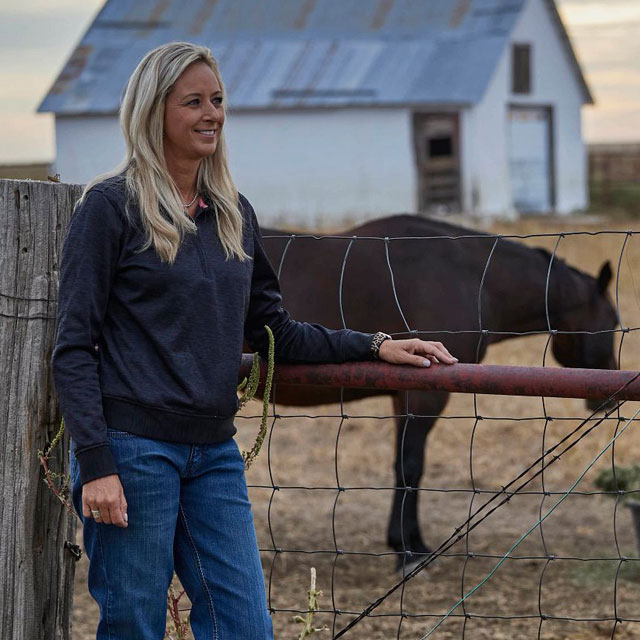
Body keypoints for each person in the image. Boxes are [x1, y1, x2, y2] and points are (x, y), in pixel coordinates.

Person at [51, 41, 458, 640]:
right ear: (153, 111)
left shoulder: (231, 212)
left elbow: (275, 332)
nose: (212, 113)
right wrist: (97, 463)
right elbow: (73, 348)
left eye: (217, 100)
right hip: (133, 452)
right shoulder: (110, 208)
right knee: (134, 625)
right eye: (194, 101)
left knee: (244, 626)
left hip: (213, 453)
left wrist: (374, 346)